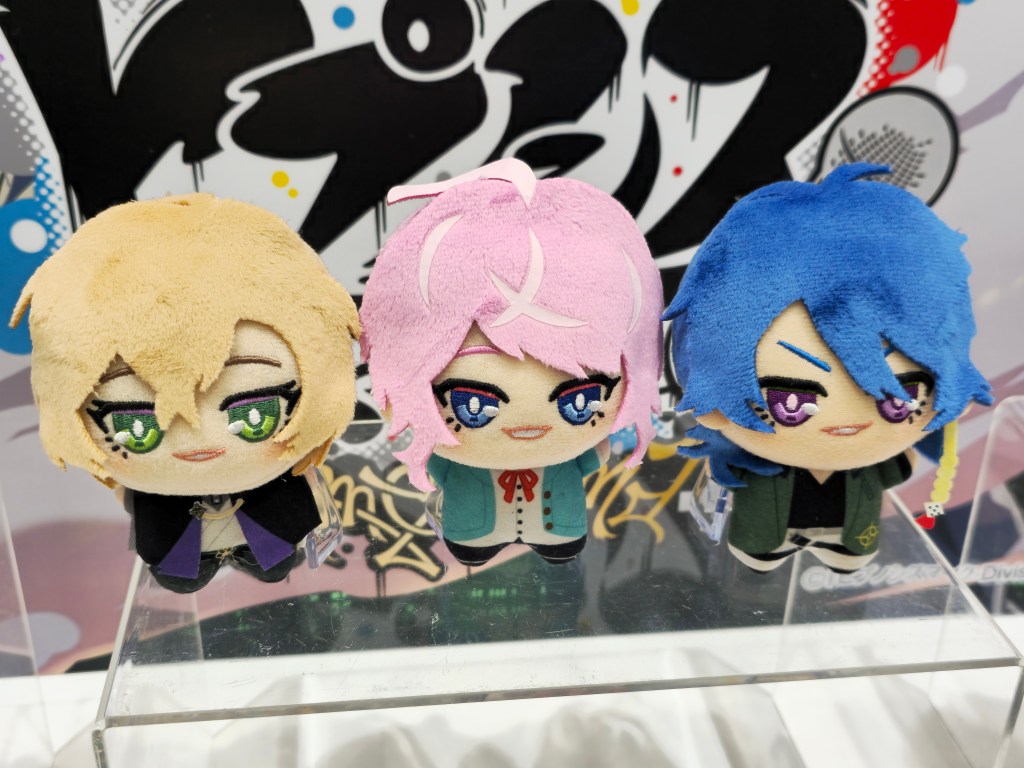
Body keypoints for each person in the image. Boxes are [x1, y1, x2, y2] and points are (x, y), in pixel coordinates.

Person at [11, 193, 360, 591]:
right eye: (136, 427)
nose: (201, 438)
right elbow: (123, 493)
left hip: (270, 523)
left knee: (274, 564)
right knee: (181, 576)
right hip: (174, 536)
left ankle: (254, 558)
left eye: (254, 414)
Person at [663, 163, 991, 573]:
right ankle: (766, 551)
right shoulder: (752, 456)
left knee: (847, 554)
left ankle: (843, 551)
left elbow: (899, 467)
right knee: (757, 559)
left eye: (900, 398)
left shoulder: (873, 463)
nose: (846, 421)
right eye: (790, 401)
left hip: (854, 534)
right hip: (762, 533)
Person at [360, 159, 664, 565]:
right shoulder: (459, 458)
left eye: (581, 402)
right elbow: (595, 457)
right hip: (473, 530)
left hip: (557, 526)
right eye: (472, 405)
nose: (528, 425)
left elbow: (594, 456)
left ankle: (551, 543)